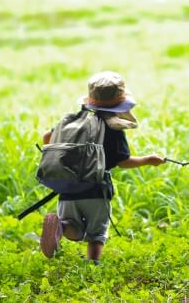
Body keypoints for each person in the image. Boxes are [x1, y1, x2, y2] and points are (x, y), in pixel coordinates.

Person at [39, 71, 165, 264]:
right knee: (97, 232)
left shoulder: (74, 121)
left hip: (67, 188)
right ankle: (93, 264)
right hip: (96, 189)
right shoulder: (113, 129)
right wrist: (149, 159)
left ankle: (60, 227)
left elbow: (47, 138)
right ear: (120, 104)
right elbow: (124, 162)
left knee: (73, 226)